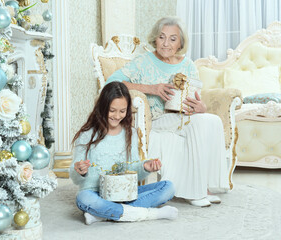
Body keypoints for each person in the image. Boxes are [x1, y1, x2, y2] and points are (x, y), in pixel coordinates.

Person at [106, 17, 229, 207]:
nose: (166, 43)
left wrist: (201, 108)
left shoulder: (187, 65)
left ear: (180, 43)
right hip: (158, 120)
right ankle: (194, 192)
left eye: (172, 39)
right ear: (155, 38)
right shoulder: (143, 61)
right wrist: (151, 88)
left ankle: (206, 186)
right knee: (197, 123)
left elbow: (197, 97)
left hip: (183, 117)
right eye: (162, 37)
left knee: (211, 120)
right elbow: (112, 83)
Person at [70, 82, 178, 225]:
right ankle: (150, 214)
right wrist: (80, 171)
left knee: (168, 187)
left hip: (124, 193)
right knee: (83, 199)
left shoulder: (130, 133)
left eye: (122, 111)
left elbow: (134, 171)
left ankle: (103, 214)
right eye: (112, 110)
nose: (117, 116)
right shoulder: (87, 135)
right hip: (95, 193)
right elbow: (75, 176)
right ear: (102, 107)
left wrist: (145, 167)